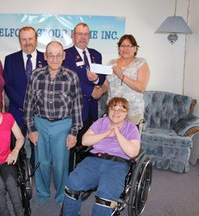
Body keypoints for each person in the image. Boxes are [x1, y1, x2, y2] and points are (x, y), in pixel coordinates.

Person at [24, 41, 83, 206]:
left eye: (58, 55)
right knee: (41, 162)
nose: (55, 59)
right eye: (51, 55)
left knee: (60, 164)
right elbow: (28, 104)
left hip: (63, 126)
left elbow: (77, 106)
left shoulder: (71, 76)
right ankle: (42, 194)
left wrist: (74, 132)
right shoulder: (35, 75)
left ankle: (60, 195)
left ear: (64, 56)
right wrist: (31, 128)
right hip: (40, 124)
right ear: (45, 56)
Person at [62, 97, 140, 216]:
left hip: (117, 164)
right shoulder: (101, 122)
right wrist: (106, 134)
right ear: (108, 110)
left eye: (121, 110)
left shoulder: (131, 128)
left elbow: (133, 152)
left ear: (126, 113)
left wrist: (117, 133)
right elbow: (85, 141)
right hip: (95, 159)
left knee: (106, 195)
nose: (116, 112)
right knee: (73, 183)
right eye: (113, 108)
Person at [63, 22, 106, 171]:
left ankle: (83, 174)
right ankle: (69, 177)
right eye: (79, 34)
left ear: (89, 36)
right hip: (74, 109)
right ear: (73, 36)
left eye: (85, 34)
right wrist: (90, 90)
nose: (83, 37)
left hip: (91, 109)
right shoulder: (65, 55)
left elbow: (101, 78)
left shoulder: (96, 54)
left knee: (87, 145)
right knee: (71, 146)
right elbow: (71, 79)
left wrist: (96, 81)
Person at [3, 26, 47, 168]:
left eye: (30, 39)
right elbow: (8, 85)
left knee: (38, 144)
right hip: (18, 110)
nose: (27, 42)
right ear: (19, 41)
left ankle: (36, 168)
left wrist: (37, 106)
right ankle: (16, 169)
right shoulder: (10, 59)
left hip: (40, 112)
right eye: (24, 39)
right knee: (15, 142)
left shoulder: (46, 58)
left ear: (36, 40)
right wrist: (24, 105)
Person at [101, 34, 150, 125]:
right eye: (123, 45)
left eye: (130, 46)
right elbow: (105, 85)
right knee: (111, 137)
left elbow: (141, 87)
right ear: (119, 48)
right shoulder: (111, 63)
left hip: (132, 111)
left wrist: (122, 76)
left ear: (135, 48)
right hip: (113, 111)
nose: (126, 48)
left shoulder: (141, 63)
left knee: (131, 139)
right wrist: (98, 88)